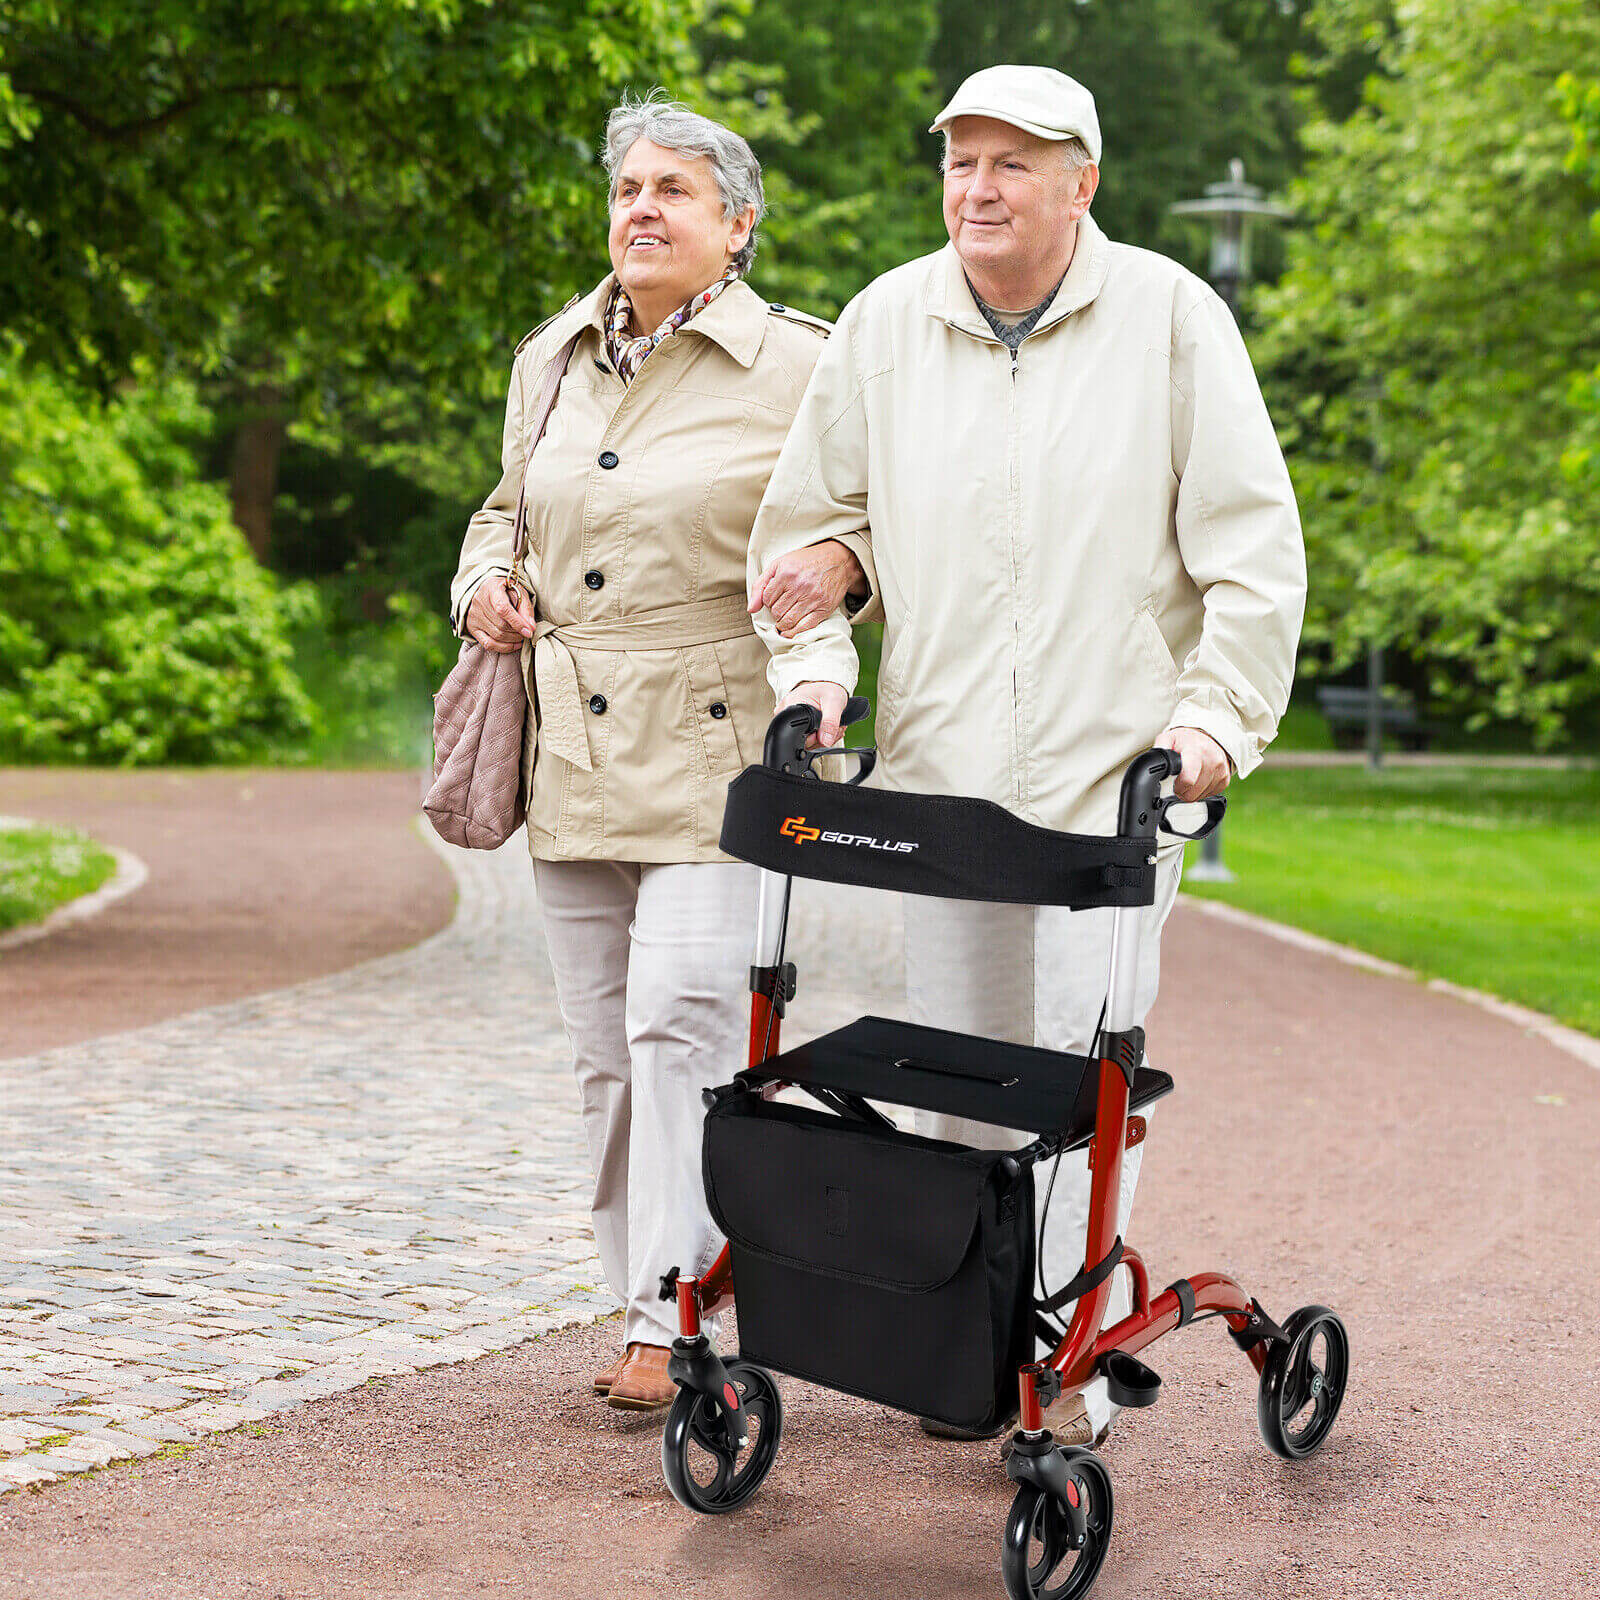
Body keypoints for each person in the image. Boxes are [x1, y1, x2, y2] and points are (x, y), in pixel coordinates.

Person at [747, 65, 1306, 1446]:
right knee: (950, 1075)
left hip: (1110, 785)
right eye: (960, 163)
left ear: (1082, 183)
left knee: (1065, 1073)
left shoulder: (1174, 320)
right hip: (941, 782)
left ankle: (1053, 1363)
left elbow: (1253, 556)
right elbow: (817, 532)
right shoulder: (886, 322)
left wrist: (1213, 727)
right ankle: (978, 1330)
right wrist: (824, 641)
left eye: (1011, 164)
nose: (978, 190)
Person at [451, 94, 837, 1412]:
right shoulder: (551, 354)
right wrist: (482, 585)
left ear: (736, 227)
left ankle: (673, 1317)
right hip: (571, 757)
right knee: (604, 1062)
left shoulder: (805, 367)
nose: (641, 210)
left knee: (679, 1025)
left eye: (674, 189)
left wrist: (838, 597)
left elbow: (863, 536)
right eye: (627, 189)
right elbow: (504, 511)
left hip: (722, 760)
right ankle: (647, 1293)